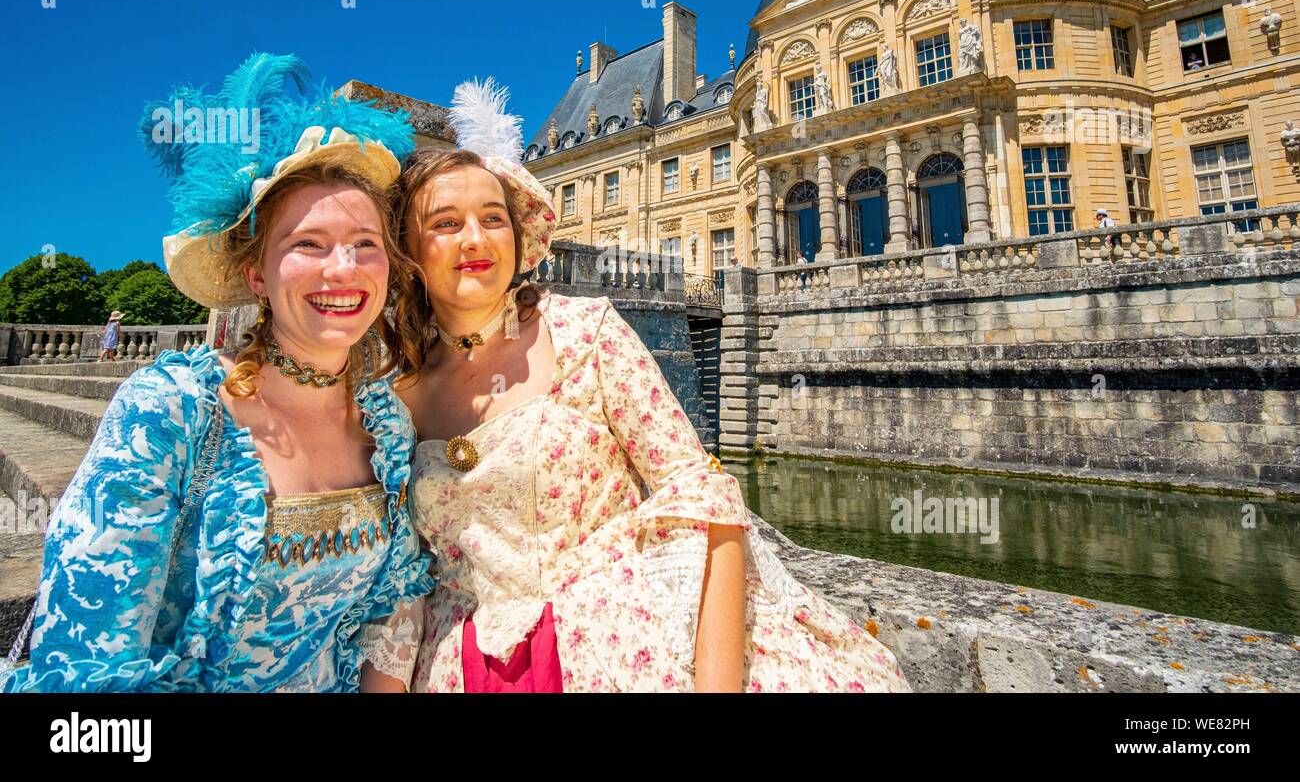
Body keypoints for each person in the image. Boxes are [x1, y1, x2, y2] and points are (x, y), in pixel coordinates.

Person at [373, 78, 910, 693]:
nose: (475, 238)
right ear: (409, 252)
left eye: (493, 218)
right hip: (462, 670)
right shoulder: (397, 395)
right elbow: (399, 589)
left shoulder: (585, 333)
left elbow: (705, 503)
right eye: (446, 223)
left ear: (518, 239)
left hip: (620, 653)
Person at [1, 53, 433, 693]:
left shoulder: (388, 425)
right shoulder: (172, 409)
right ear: (257, 274)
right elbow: (87, 669)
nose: (343, 268)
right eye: (307, 244)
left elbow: (390, 610)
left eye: (365, 242)